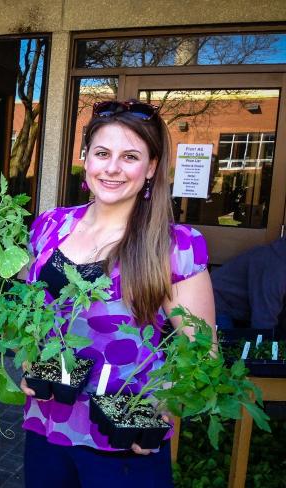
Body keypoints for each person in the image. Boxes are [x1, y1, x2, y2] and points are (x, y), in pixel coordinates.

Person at [18, 99, 215, 488]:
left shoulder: (173, 246)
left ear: (152, 168)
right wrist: (28, 363)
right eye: (103, 153)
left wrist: (159, 408)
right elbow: (30, 312)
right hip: (46, 430)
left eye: (130, 156)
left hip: (122, 452)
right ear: (85, 157)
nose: (112, 168)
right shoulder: (49, 226)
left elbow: (204, 356)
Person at [211, 237, 286, 337]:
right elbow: (263, 322)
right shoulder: (275, 268)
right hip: (216, 303)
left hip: (242, 309)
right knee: (227, 348)